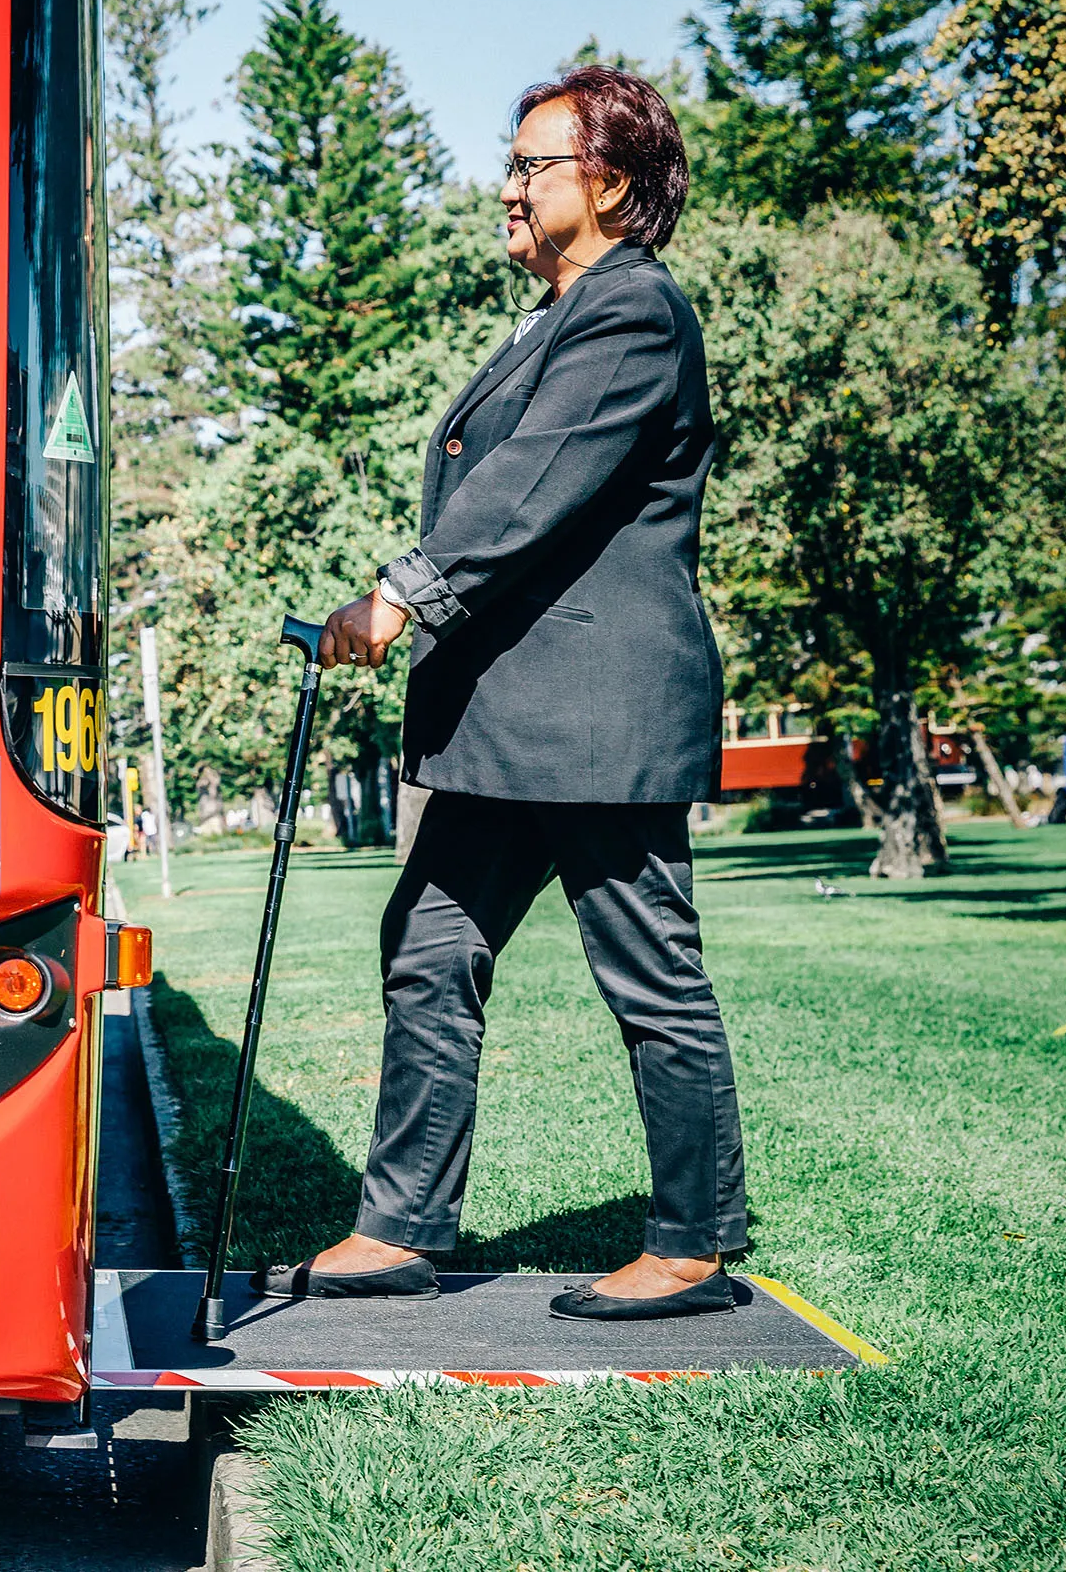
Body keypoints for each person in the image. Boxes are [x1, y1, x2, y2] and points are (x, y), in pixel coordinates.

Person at [267, 66, 748, 1322]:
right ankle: (400, 1223)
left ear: (615, 183)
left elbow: (532, 485)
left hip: (594, 717)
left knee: (648, 972)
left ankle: (692, 1240)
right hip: (506, 722)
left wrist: (399, 596)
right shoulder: (555, 313)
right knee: (427, 948)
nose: (509, 184)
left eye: (535, 162)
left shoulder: (633, 310)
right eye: (515, 159)